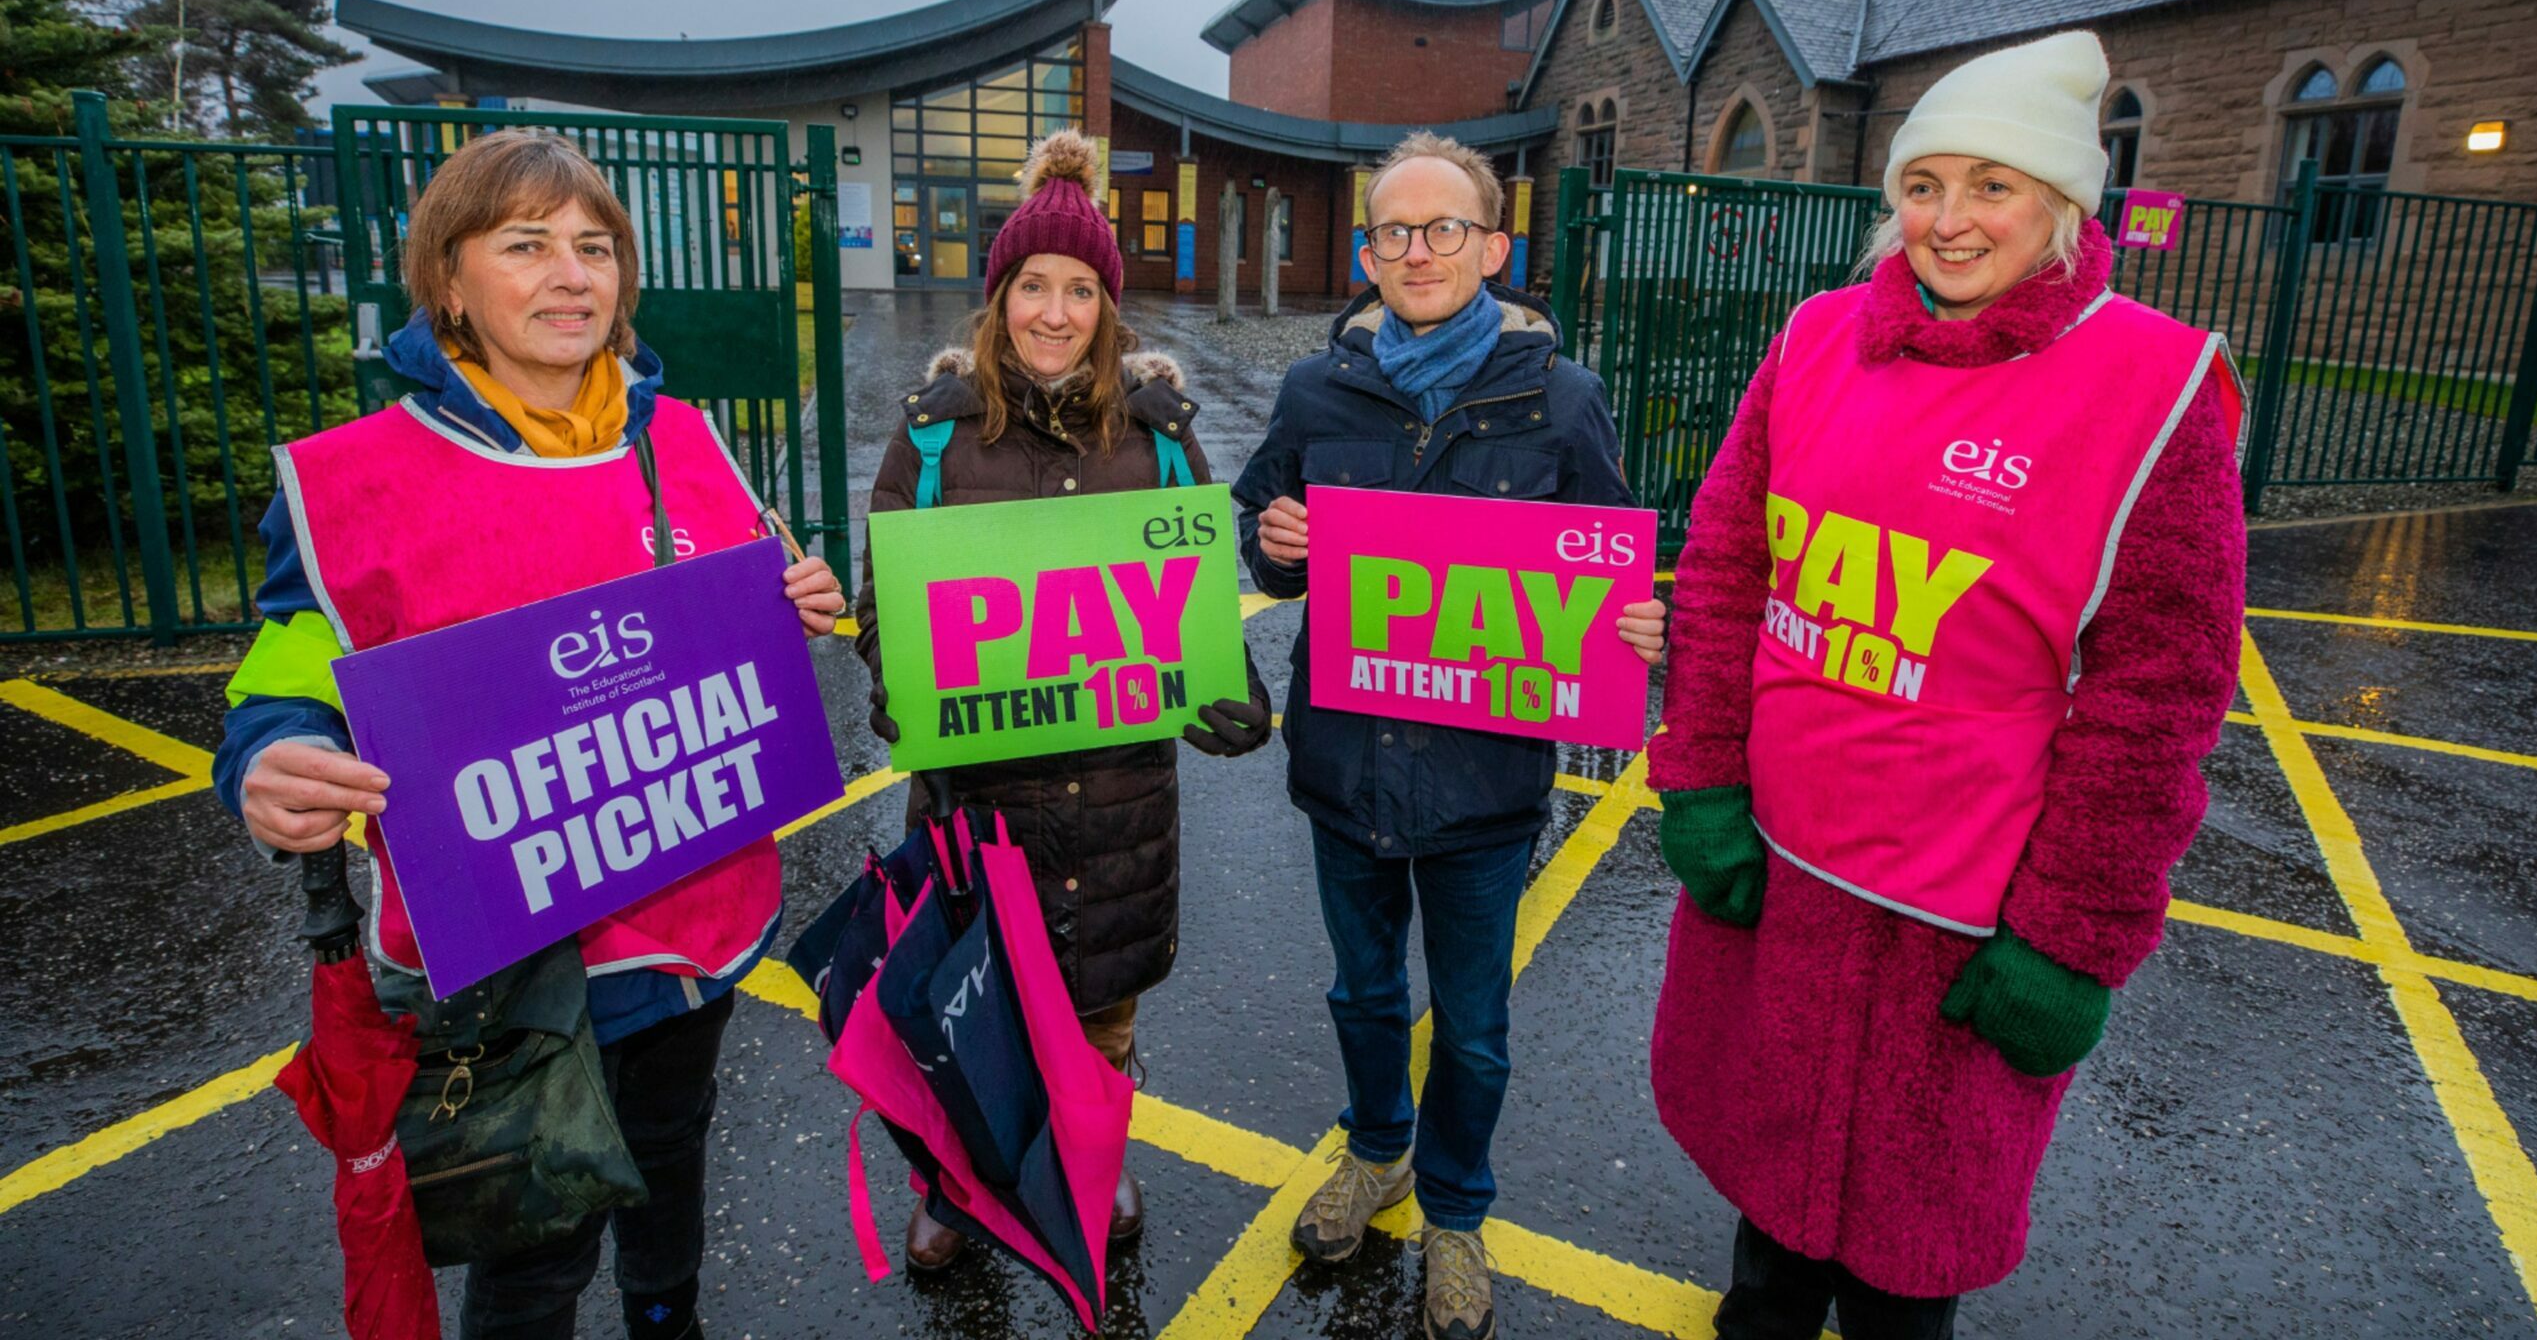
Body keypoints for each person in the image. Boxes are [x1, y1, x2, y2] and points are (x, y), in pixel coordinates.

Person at [1646, 30, 2247, 1339]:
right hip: (1783, 871)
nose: (1951, 219)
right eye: (1925, 185)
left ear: (2063, 204)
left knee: (1905, 1273)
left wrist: (2075, 937)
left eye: (1994, 184)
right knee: (1767, 1236)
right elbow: (1730, 568)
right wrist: (1698, 777)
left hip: (1960, 918)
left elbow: (2160, 694)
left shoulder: (2155, 388)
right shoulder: (1814, 342)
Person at [214, 129, 845, 1340]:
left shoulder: (689, 440)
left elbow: (735, 613)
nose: (571, 275)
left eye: (594, 247)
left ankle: (671, 1320)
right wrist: (267, 756)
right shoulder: (358, 482)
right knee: (535, 1248)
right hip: (512, 966)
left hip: (694, 930)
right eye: (527, 246)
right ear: (449, 281)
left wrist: (795, 604)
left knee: (669, 1167)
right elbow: (293, 665)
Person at [1233, 131, 1668, 1340]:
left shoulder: (1561, 398)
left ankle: (1457, 1215)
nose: (1415, 251)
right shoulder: (1316, 388)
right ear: (1365, 249)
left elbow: (1609, 561)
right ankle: (1375, 1154)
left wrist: (1633, 624)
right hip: (1344, 761)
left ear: (1492, 246)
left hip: (1483, 787)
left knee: (1472, 1029)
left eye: (1442, 230)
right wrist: (1269, 544)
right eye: (1391, 231)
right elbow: (1252, 538)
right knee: (1363, 992)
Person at [852, 129, 1272, 1271]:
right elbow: (880, 593)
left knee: (1099, 1005)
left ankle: (1091, 1151)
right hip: (974, 795)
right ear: (997, 296)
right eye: (1032, 285)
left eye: (1078, 289)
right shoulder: (933, 432)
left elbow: (1194, 598)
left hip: (1115, 799)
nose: (1052, 311)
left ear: (1106, 304)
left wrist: (1234, 689)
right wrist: (901, 680)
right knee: (966, 1004)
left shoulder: (1159, 436)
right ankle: (953, 1180)